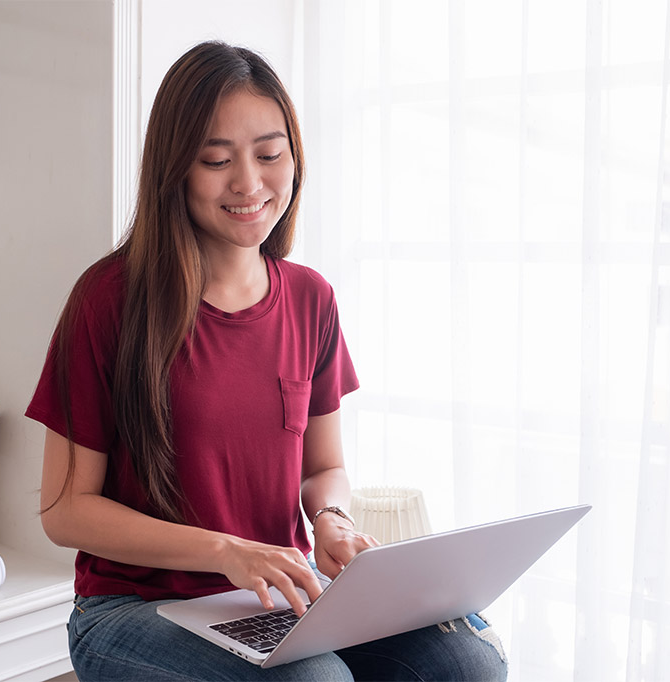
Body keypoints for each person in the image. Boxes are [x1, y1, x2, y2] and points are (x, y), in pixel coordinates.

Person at [27, 40, 508, 681]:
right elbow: (65, 511)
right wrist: (224, 551)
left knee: (465, 662)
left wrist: (331, 521)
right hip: (134, 608)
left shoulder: (311, 298)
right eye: (216, 160)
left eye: (269, 154)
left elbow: (323, 468)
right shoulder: (109, 300)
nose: (249, 183)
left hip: (276, 598)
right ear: (175, 169)